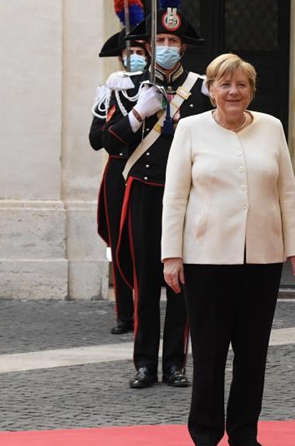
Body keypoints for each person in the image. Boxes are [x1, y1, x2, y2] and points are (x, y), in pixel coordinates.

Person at [161, 53, 295, 446]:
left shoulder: (271, 127)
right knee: (209, 349)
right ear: (210, 90)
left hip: (262, 256)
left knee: (252, 349)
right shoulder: (189, 129)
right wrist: (171, 255)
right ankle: (205, 432)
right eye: (224, 84)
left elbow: (287, 191)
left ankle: (244, 429)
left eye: (241, 84)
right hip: (205, 257)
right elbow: (175, 197)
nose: (233, 91)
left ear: (251, 91)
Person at [102, 3, 211, 389]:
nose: (165, 46)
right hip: (145, 195)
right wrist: (135, 115)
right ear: (147, 47)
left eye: (172, 40)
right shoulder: (127, 86)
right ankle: (145, 363)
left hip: (186, 198)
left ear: (183, 48)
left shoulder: (202, 89)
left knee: (181, 281)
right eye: (159, 40)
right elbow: (105, 142)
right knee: (146, 281)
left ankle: (175, 364)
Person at [92, 4, 147, 335]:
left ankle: (146, 310)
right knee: (119, 243)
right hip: (117, 174)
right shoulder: (108, 92)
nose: (135, 57)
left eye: (141, 51)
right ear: (121, 58)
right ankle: (124, 313)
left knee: (146, 245)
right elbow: (96, 139)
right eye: (130, 52)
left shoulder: (155, 91)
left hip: (147, 173)